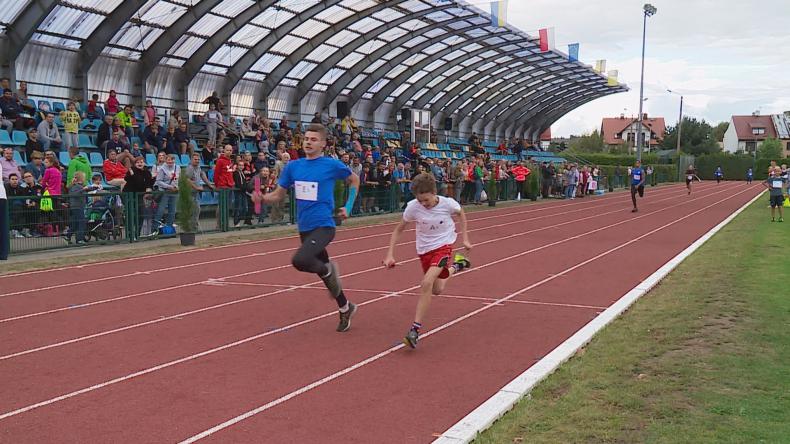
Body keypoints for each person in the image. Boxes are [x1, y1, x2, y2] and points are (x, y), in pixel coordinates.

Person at [257, 123, 361, 332]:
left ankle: (329, 269)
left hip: (324, 225)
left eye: (313, 140)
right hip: (304, 227)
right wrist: (263, 198)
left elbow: (354, 180)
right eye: (306, 139)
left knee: (301, 260)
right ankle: (345, 307)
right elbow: (279, 194)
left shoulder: (331, 164)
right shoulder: (293, 167)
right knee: (325, 276)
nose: (308, 142)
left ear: (323, 144)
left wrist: (348, 206)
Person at [382, 173, 472, 349]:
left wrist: (465, 238)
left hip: (444, 247)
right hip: (424, 250)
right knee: (437, 289)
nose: (423, 204)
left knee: (426, 283)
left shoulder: (448, 204)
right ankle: (458, 265)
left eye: (426, 200)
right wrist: (390, 254)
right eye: (420, 200)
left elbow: (461, 214)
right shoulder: (412, 208)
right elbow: (398, 230)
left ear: (434, 192)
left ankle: (414, 330)